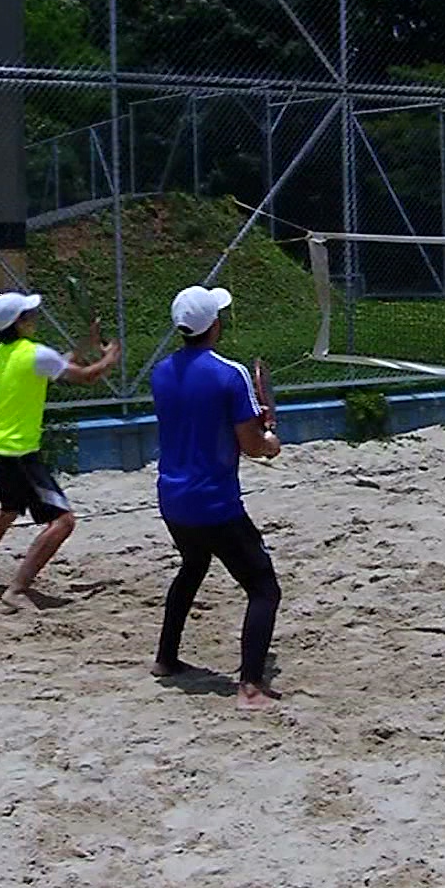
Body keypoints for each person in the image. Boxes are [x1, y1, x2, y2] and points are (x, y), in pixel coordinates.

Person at [148, 284, 285, 712]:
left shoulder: (160, 371)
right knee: (264, 588)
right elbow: (251, 445)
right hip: (214, 503)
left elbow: (202, 421)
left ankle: (166, 659)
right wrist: (271, 439)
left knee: (192, 566)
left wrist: (252, 424)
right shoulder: (229, 373)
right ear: (215, 325)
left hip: (172, 498)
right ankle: (250, 686)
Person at [0, 290, 121, 607]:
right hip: (21, 452)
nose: (34, 318)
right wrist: (111, 357)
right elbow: (87, 377)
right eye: (29, 315)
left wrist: (84, 346)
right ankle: (18, 589)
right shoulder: (35, 354)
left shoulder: (3, 353)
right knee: (64, 522)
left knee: (9, 509)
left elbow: (58, 364)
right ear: (18, 323)